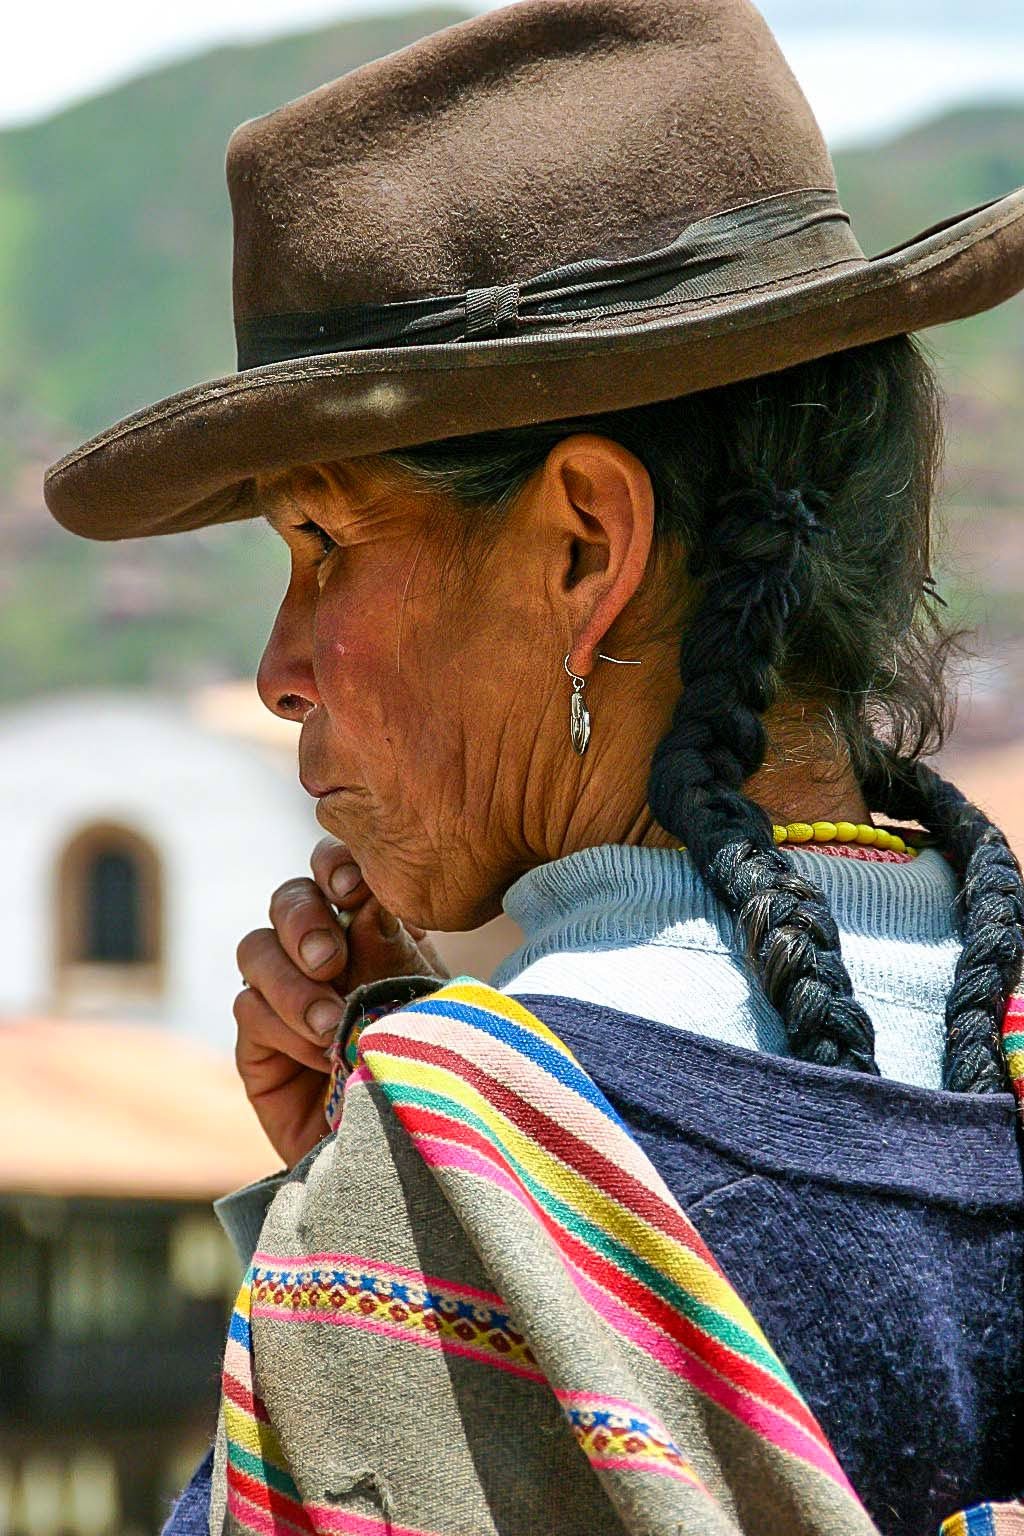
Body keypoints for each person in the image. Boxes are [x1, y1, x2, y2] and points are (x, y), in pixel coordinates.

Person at [42, 1, 1024, 1533]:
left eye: (321, 543)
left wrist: (400, 1235)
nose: (278, 666)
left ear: (585, 545)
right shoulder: (984, 1050)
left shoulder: (450, 1172)